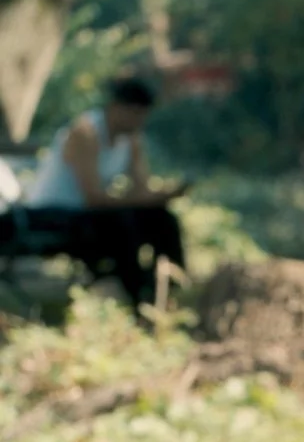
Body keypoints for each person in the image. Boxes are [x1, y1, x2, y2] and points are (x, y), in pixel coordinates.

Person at [21, 76, 189, 307]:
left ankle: (172, 290)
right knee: (122, 225)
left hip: (89, 215)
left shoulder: (132, 140)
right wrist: (144, 199)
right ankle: (139, 298)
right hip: (54, 213)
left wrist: (163, 196)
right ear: (116, 108)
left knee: (162, 218)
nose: (138, 121)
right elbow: (93, 197)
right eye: (134, 113)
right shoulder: (86, 132)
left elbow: (142, 190)